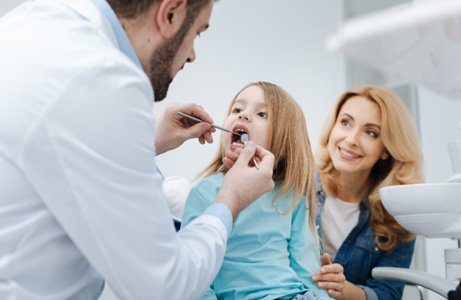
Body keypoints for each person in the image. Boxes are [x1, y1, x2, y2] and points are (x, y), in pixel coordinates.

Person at [0, 0, 275, 299]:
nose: (193, 55)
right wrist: (230, 199)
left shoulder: (38, 22)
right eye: (197, 32)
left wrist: (149, 141)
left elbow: (55, 147)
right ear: (170, 13)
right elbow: (164, 286)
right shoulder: (103, 78)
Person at [181, 81, 331, 300]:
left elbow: (307, 271)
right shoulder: (204, 193)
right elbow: (195, 277)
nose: (243, 116)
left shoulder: (291, 194)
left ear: (284, 138)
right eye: (237, 109)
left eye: (262, 114)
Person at [311, 85, 424, 300]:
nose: (351, 139)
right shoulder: (298, 187)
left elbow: (388, 294)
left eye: (370, 132)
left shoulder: (398, 214)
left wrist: (344, 290)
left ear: (386, 150)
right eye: (345, 123)